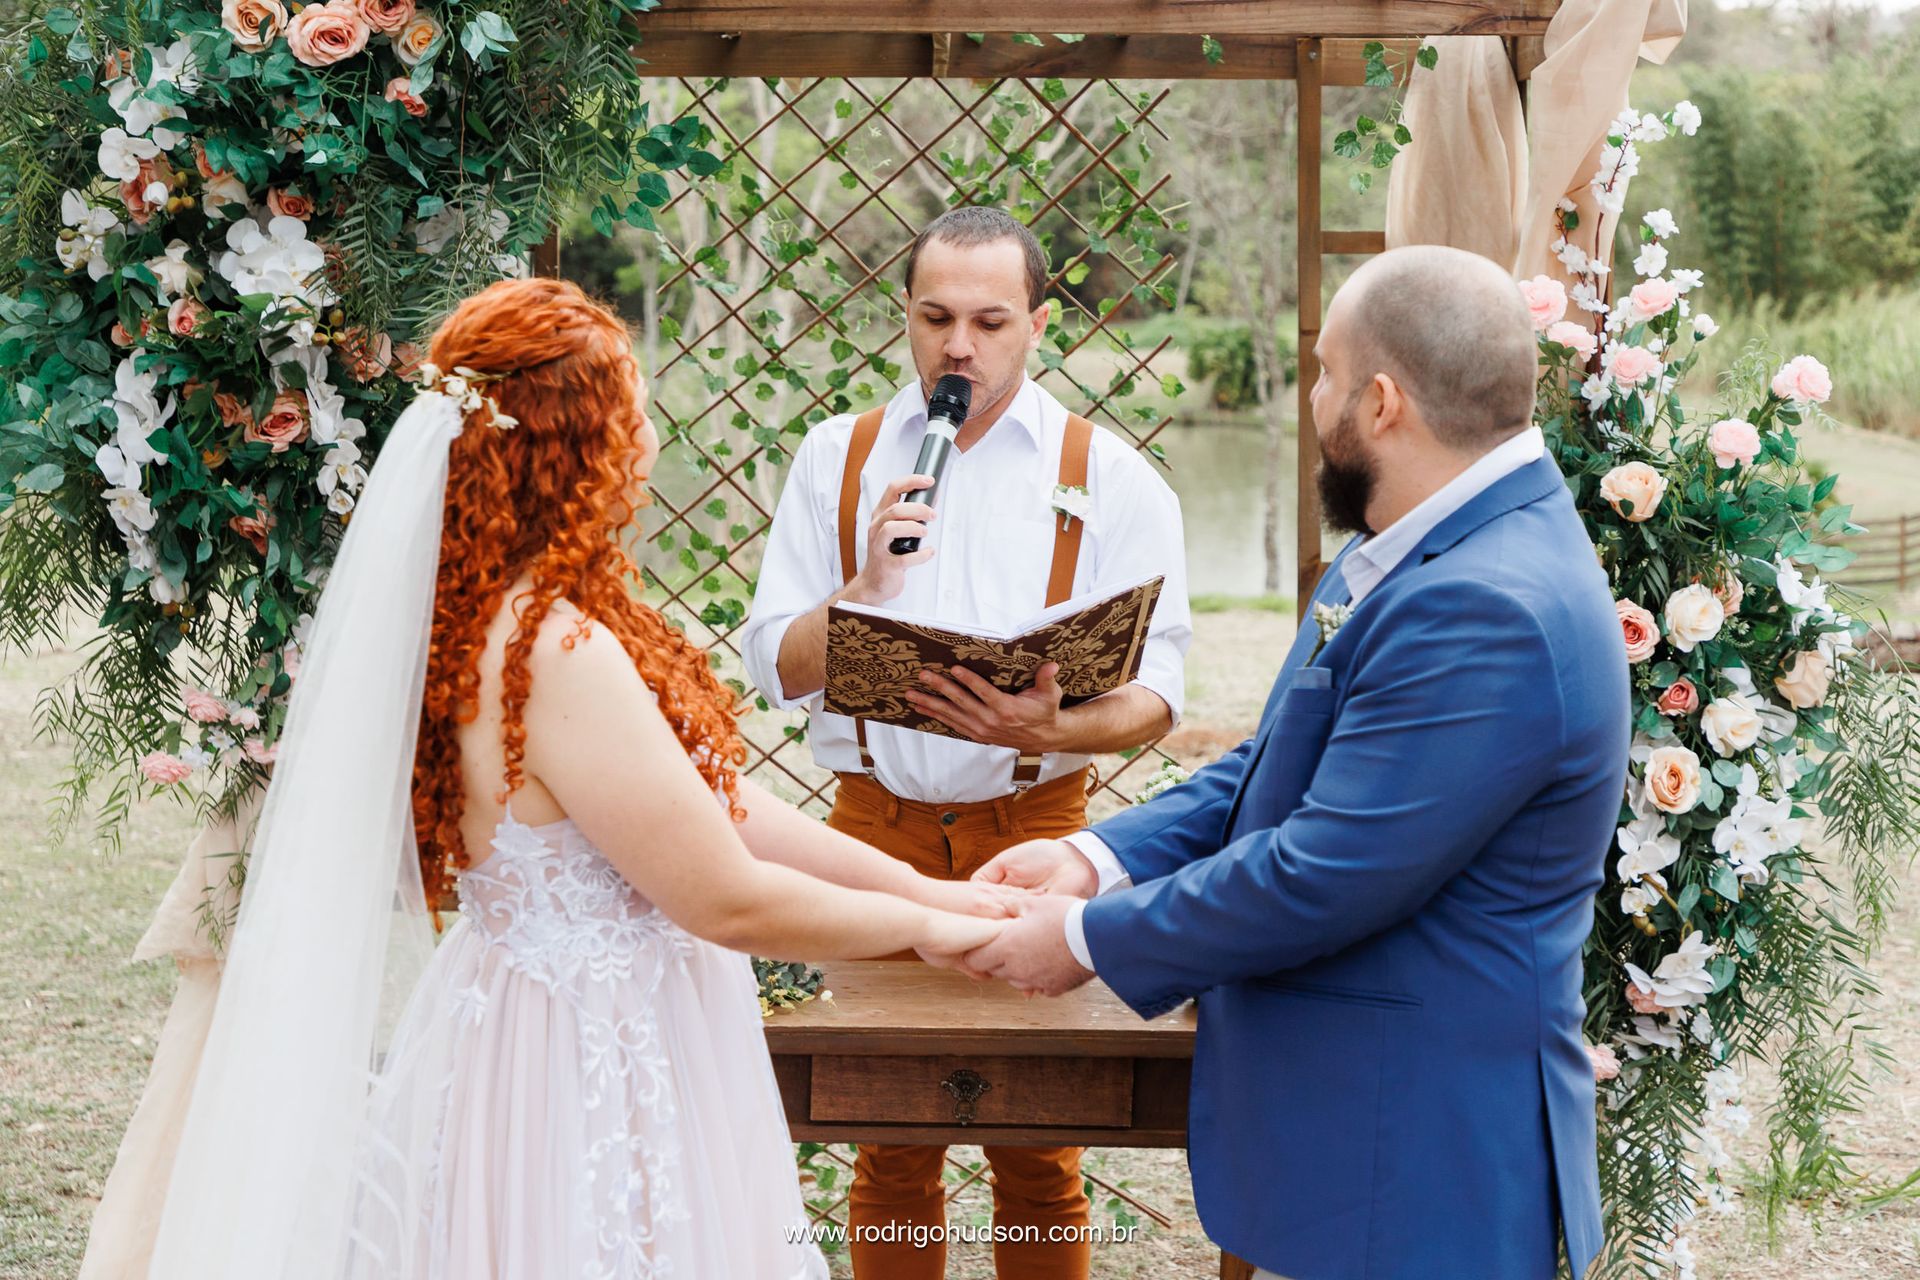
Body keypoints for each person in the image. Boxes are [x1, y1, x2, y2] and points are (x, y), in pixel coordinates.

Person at [133, 277, 1015, 1279]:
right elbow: (723, 894)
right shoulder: (551, 649)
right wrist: (929, 930)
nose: (647, 435)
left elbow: (716, 804)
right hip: (587, 1060)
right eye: (629, 411)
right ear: (575, 447)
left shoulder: (488, 612)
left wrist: (931, 891)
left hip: (544, 1019)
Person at [964, 245, 1630, 1280]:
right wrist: (1097, 858)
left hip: (1415, 1162)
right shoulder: (1418, 546)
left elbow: (1327, 868)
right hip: (1369, 1146)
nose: (1311, 401)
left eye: (1324, 373)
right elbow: (1280, 758)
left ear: (1383, 402)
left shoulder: (1484, 602)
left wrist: (1087, 939)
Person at [739, 206, 1192, 1280]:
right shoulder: (837, 457)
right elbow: (772, 667)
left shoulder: (1112, 476)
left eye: (990, 321)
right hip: (871, 831)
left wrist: (1056, 724)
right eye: (936, 317)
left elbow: (1160, 692)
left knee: (1042, 1142)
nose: (959, 347)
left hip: (1034, 832)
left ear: (1037, 323)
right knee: (886, 1136)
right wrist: (865, 587)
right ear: (905, 314)